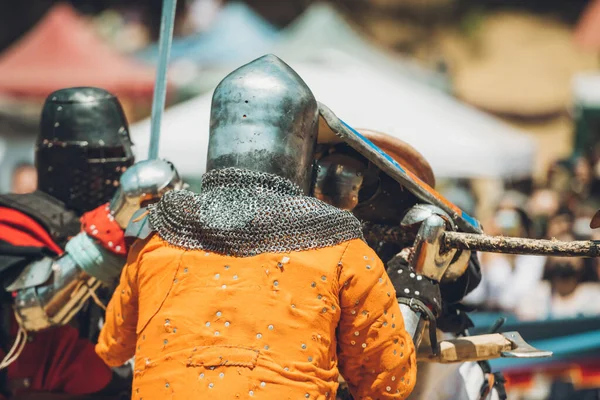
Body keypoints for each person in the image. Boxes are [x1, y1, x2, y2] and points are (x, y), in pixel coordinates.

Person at [96, 55, 417, 399]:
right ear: (302, 153)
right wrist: (413, 298)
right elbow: (387, 382)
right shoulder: (340, 249)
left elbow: (113, 348)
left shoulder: (157, 236)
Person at [313, 129, 505, 400]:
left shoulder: (422, 224)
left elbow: (465, 275)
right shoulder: (317, 237)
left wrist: (422, 267)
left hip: (430, 380)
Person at [0, 87, 135, 399]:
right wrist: (101, 242)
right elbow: (32, 310)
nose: (112, 175)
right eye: (98, 162)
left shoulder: (127, 221)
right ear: (61, 160)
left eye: (118, 163)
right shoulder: (14, 222)